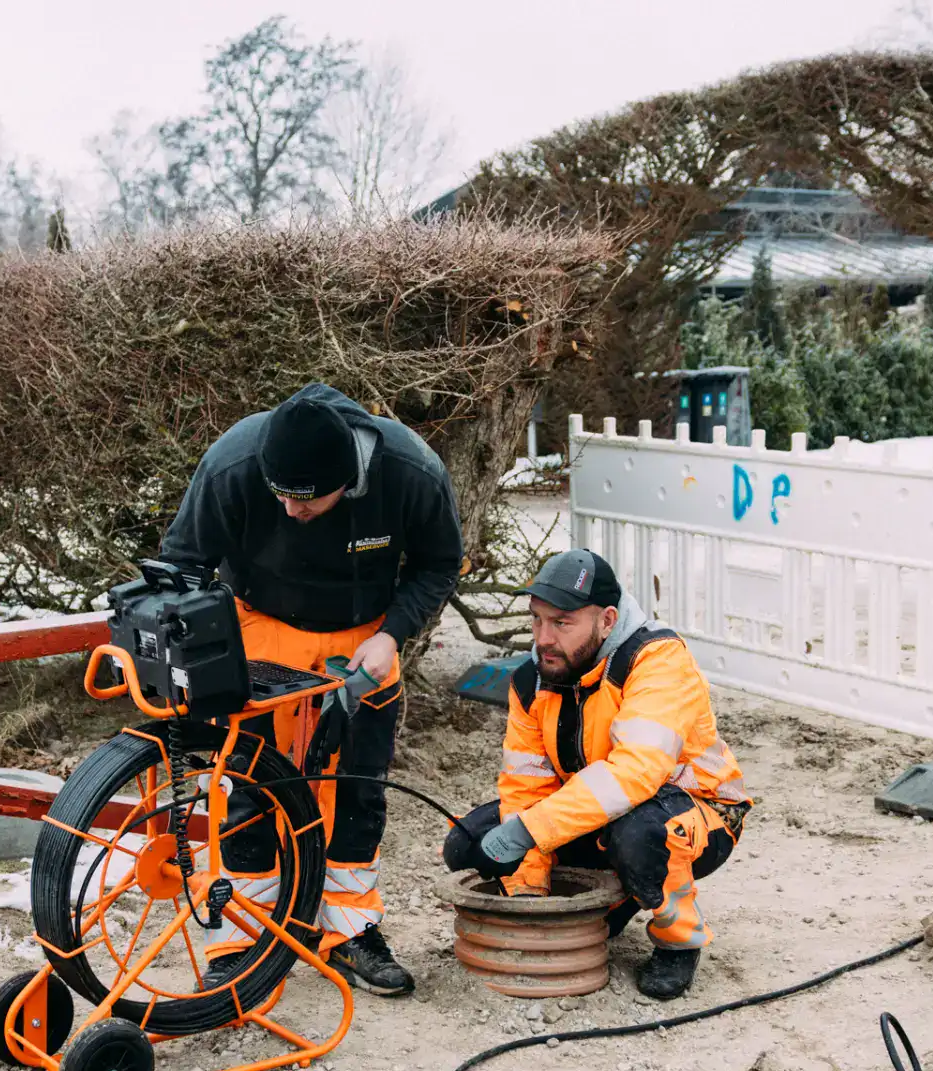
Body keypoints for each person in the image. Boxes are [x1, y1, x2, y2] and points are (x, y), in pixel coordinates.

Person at [160, 382, 464, 996]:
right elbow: (182, 560)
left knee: (357, 789)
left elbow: (439, 564)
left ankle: (348, 929)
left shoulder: (410, 471)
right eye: (282, 498)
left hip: (363, 643)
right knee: (247, 790)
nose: (293, 512)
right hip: (258, 628)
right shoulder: (234, 463)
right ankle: (241, 937)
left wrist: (394, 635)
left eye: (309, 501)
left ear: (350, 480)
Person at [443, 550, 751, 1000]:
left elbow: (633, 774)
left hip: (700, 814)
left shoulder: (659, 661)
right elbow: (526, 785)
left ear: (607, 620)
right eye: (537, 620)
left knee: (640, 834)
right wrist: (528, 888)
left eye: (562, 623)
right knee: (468, 845)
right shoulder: (533, 678)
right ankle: (615, 895)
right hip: (598, 808)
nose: (544, 638)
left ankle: (678, 940)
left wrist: (530, 831)